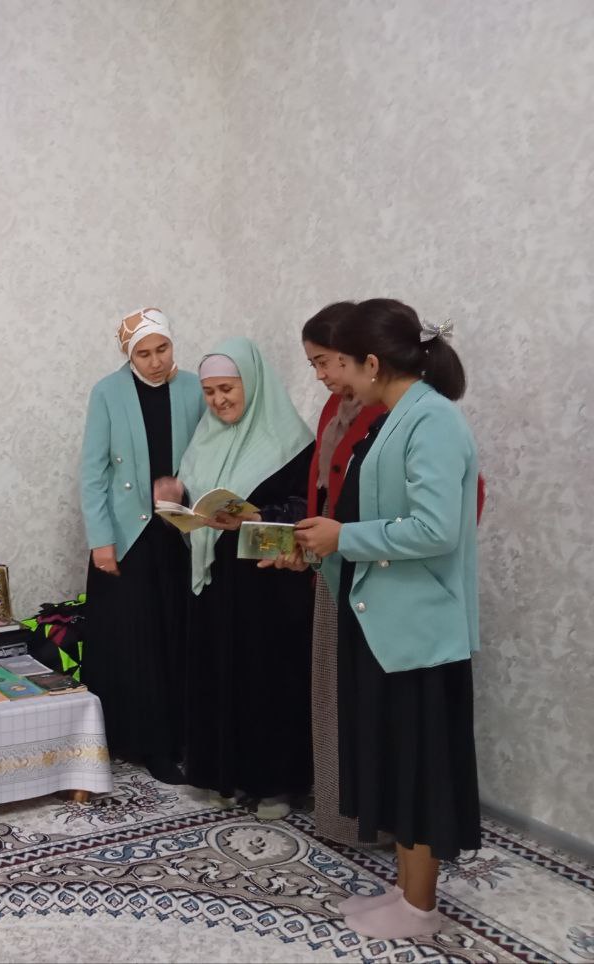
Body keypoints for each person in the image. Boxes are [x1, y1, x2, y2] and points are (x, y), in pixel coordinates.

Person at [295, 300, 480, 939]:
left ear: (371, 362)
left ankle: (420, 907)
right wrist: (317, 544)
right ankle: (406, 890)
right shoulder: (394, 418)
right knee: (396, 760)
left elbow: (434, 528)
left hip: (418, 633)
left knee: (418, 767)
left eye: (338, 364)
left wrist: (343, 537)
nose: (333, 378)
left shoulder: (433, 420)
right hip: (383, 623)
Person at [178, 337, 315, 818]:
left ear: (252, 384)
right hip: (217, 580)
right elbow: (196, 502)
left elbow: (309, 509)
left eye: (227, 389)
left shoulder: (291, 442)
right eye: (210, 392)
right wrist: (178, 503)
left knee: (268, 678)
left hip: (270, 585)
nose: (218, 401)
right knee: (220, 673)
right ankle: (225, 773)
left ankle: (275, 784)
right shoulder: (204, 439)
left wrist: (256, 516)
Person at [79, 308, 205, 783]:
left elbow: (207, 453)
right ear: (129, 356)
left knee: (177, 636)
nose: (155, 361)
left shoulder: (194, 388)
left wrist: (185, 491)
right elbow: (93, 474)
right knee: (137, 642)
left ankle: (182, 738)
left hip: (179, 531)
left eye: (162, 349)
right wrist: (101, 542)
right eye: (144, 353)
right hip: (126, 537)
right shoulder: (107, 392)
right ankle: (145, 744)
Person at [301, 304, 387, 845]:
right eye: (312, 364)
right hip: (334, 559)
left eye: (324, 361)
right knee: (332, 689)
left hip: (372, 566)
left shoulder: (394, 413)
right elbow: (323, 485)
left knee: (366, 697)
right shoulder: (336, 405)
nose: (321, 375)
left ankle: (374, 820)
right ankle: (339, 814)